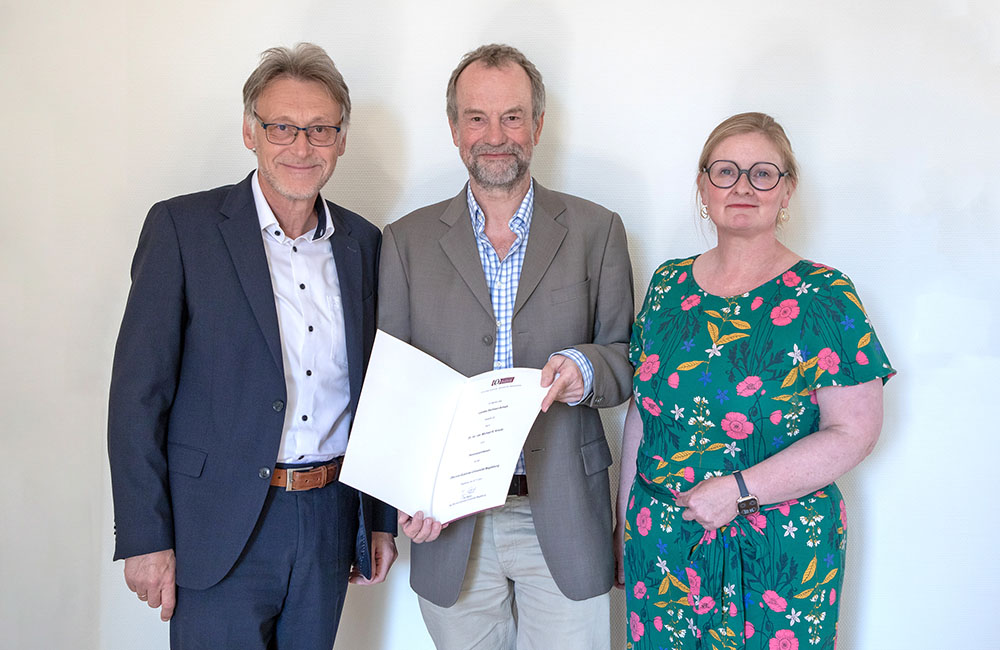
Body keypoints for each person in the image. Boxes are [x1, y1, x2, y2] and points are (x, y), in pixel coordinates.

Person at [107, 43, 397, 649]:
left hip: (328, 518)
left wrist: (379, 518)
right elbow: (138, 396)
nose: (301, 146)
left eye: (320, 129)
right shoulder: (183, 230)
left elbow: (376, 391)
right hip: (216, 522)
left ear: (341, 140)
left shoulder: (364, 245)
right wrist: (143, 535)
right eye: (282, 127)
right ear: (250, 132)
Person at [378, 43, 634, 649]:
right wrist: (403, 498)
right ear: (453, 128)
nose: (496, 135)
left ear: (538, 125)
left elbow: (626, 359)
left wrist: (581, 368)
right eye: (477, 117)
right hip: (449, 525)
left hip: (565, 514)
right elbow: (393, 389)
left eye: (512, 116)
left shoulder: (598, 230)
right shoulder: (406, 241)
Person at [616, 112, 894, 649]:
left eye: (763, 173)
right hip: (663, 546)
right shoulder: (667, 285)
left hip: (778, 556)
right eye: (725, 171)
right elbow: (643, 415)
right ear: (702, 186)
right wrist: (626, 527)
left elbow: (855, 432)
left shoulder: (825, 297)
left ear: (787, 191)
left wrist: (740, 494)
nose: (742, 186)